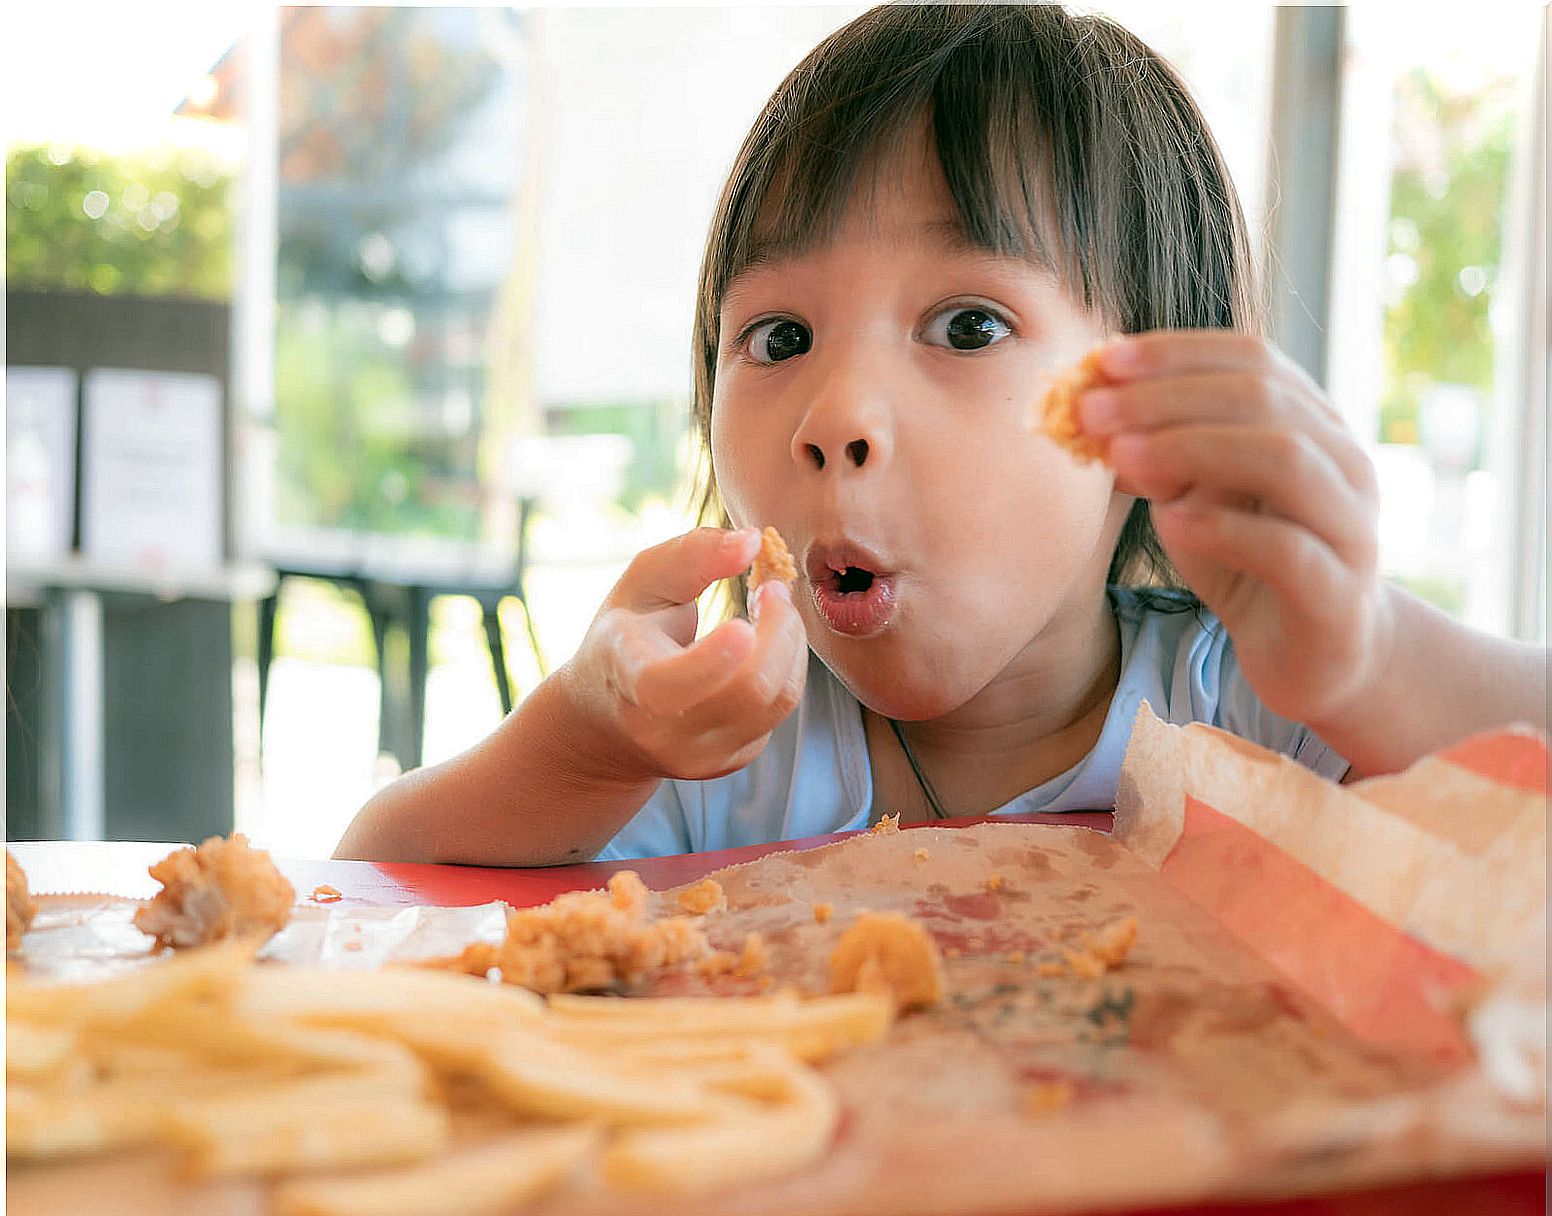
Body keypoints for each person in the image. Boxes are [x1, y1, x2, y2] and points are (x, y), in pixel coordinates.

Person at [336, 4, 1546, 867]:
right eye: (776, 337)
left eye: (966, 324)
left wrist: (1366, 659)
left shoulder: (1251, 703)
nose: (836, 419)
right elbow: (369, 884)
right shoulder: (725, 762)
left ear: (1145, 401)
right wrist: (590, 744)